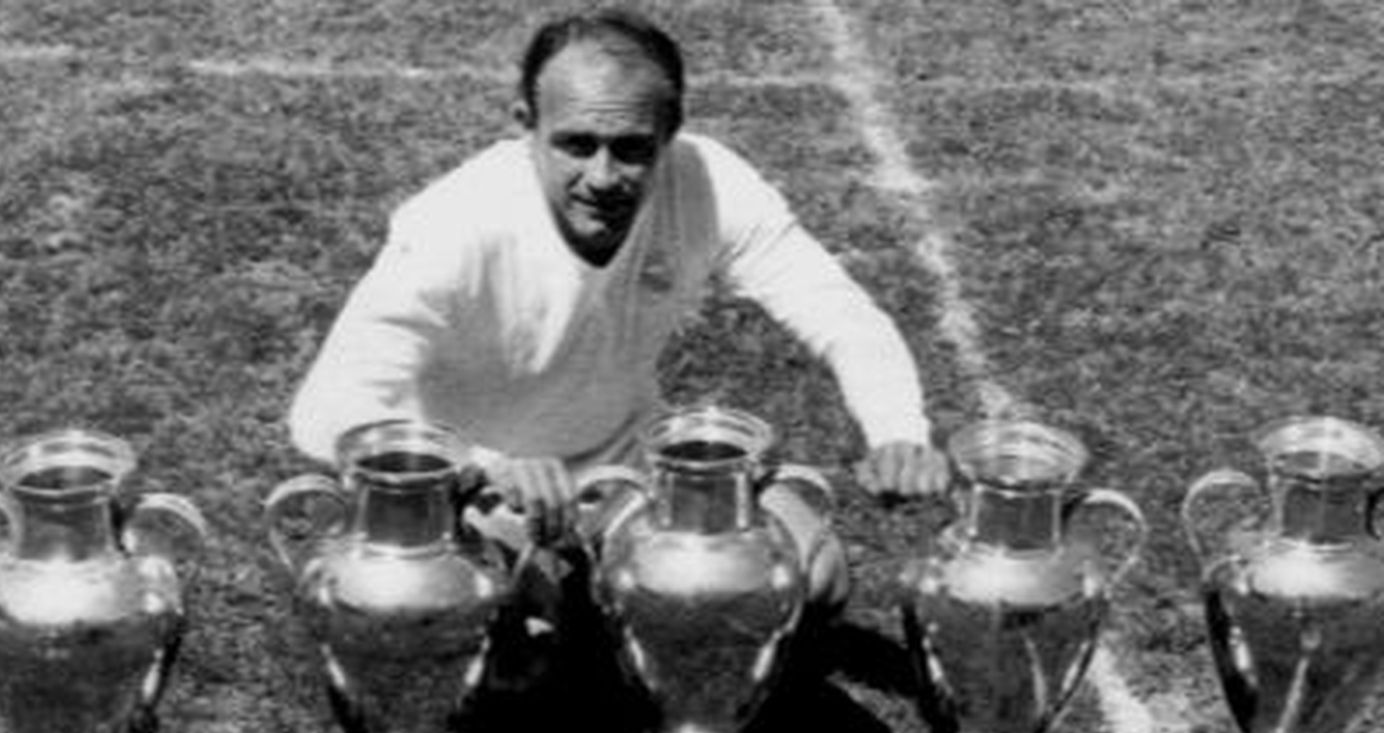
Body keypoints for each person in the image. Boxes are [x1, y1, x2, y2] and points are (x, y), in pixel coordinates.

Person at [288, 8, 949, 615]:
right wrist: (484, 465)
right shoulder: (452, 226)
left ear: (671, 132)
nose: (603, 178)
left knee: (812, 574)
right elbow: (327, 415)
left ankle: (683, 680)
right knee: (480, 637)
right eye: (576, 144)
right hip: (474, 491)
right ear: (525, 126)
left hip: (627, 468)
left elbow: (840, 314)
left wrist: (898, 433)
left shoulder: (711, 183)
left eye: (632, 148)